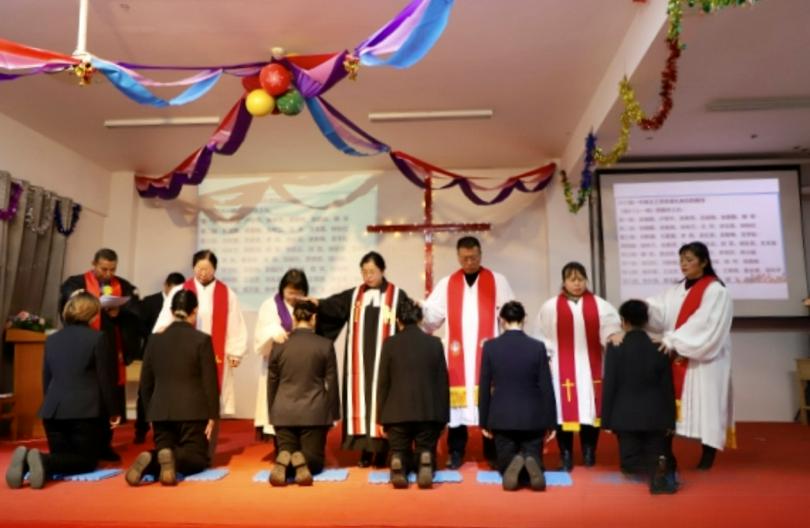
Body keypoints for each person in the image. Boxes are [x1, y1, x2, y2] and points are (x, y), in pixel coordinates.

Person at [6, 292, 121, 490]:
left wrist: (50, 404)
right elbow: (105, 378)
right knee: (85, 463)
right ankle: (42, 460)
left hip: (52, 412)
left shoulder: (52, 339)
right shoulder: (98, 338)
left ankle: (28, 460)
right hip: (84, 412)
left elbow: (46, 378)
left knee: (64, 457)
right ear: (93, 315)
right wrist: (113, 411)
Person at [422, 236, 515, 469]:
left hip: (488, 354)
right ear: (458, 257)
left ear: (480, 255)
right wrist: (417, 308)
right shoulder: (447, 283)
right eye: (464, 258)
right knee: (457, 409)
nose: (469, 262)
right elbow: (431, 317)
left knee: (489, 402)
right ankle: (456, 451)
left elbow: (510, 314)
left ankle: (492, 452)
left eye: (473, 257)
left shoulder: (497, 280)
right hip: (457, 357)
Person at [314, 251, 413, 468]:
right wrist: (317, 303)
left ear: (382, 271)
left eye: (372, 272)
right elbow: (333, 306)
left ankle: (382, 451)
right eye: (364, 272)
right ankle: (365, 450)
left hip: (387, 363)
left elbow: (408, 321)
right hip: (359, 364)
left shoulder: (397, 295)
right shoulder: (355, 295)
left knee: (383, 402)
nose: (368, 276)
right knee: (361, 401)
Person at [644, 241, 734, 471]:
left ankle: (708, 454)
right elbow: (660, 312)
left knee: (708, 405)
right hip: (677, 357)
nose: (684, 264)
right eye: (681, 260)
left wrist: (673, 340)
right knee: (667, 407)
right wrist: (642, 309)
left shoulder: (716, 290)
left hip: (705, 359)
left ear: (704, 262)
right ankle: (667, 454)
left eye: (689, 260)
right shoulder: (675, 290)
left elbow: (704, 323)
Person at [533, 262, 621, 471]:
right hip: (561, 369)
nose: (577, 284)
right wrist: (546, 358)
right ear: (564, 281)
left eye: (581, 279)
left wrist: (611, 336)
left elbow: (611, 330)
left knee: (590, 410)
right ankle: (565, 454)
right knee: (563, 411)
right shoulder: (550, 307)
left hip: (591, 368)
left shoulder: (600, 305)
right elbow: (541, 336)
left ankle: (590, 451)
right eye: (572, 279)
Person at [126, 290, 219, 486]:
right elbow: (209, 381)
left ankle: (152, 458)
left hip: (161, 411)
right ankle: (159, 458)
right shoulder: (202, 340)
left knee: (164, 450)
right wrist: (212, 415)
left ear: (170, 310)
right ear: (195, 311)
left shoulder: (155, 340)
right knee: (198, 458)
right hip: (193, 411)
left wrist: (150, 413)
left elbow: (146, 383)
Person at [58, 248, 140, 461]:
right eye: (103, 269)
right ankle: (83, 443)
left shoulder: (122, 285)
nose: (108, 274)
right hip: (83, 348)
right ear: (93, 264)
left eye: (112, 269)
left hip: (110, 350)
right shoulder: (76, 283)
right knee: (86, 394)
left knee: (108, 395)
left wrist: (119, 312)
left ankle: (105, 444)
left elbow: (136, 314)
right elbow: (67, 303)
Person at [153, 250, 247, 420]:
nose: (203, 273)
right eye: (199, 268)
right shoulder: (180, 291)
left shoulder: (227, 294)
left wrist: (235, 351)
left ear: (215, 269)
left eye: (207, 269)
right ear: (193, 267)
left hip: (213, 352)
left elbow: (235, 323)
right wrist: (162, 332)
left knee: (210, 394)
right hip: (184, 351)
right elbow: (167, 316)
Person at [479, 301, 556, 492]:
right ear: (525, 319)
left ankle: (512, 463)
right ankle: (532, 464)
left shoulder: (490, 347)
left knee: (504, 459)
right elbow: (546, 386)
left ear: (502, 320)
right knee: (532, 451)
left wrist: (484, 421)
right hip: (532, 416)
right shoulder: (537, 347)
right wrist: (552, 422)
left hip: (501, 415)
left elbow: (484, 386)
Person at [602, 299, 677, 494]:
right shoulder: (659, 348)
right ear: (646, 321)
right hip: (656, 416)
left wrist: (606, 420)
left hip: (624, 417)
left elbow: (610, 384)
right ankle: (659, 466)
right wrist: (670, 420)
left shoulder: (616, 347)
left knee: (628, 463)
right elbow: (667, 387)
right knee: (656, 448)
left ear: (623, 321)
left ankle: (653, 466)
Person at [377, 299, 449, 489]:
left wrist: (381, 418)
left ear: (398, 320)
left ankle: (399, 459)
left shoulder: (390, 344)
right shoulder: (434, 344)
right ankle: (425, 458)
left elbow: (383, 383)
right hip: (428, 412)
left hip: (396, 413)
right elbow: (442, 382)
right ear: (420, 319)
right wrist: (443, 419)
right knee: (426, 447)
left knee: (398, 448)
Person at [267, 300, 339, 486]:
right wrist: (334, 414)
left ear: (293, 318)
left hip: (283, 412)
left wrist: (272, 412)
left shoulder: (279, 345)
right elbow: (332, 382)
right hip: (314, 413)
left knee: (287, 450)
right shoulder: (325, 345)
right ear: (314, 318)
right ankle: (302, 459)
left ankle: (285, 459)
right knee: (314, 463)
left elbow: (272, 383)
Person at [254, 269, 309, 442]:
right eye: (290, 292)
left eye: (298, 292)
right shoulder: (270, 305)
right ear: (282, 289)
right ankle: (281, 445)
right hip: (278, 366)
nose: (294, 296)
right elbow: (261, 335)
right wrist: (273, 331)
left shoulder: (308, 305)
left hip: (301, 367)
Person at [134, 272, 185, 445]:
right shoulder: (150, 301)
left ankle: (168, 431)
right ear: (166, 285)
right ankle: (141, 430)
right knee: (145, 390)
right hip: (151, 350)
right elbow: (139, 326)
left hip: (174, 354)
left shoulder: (182, 301)